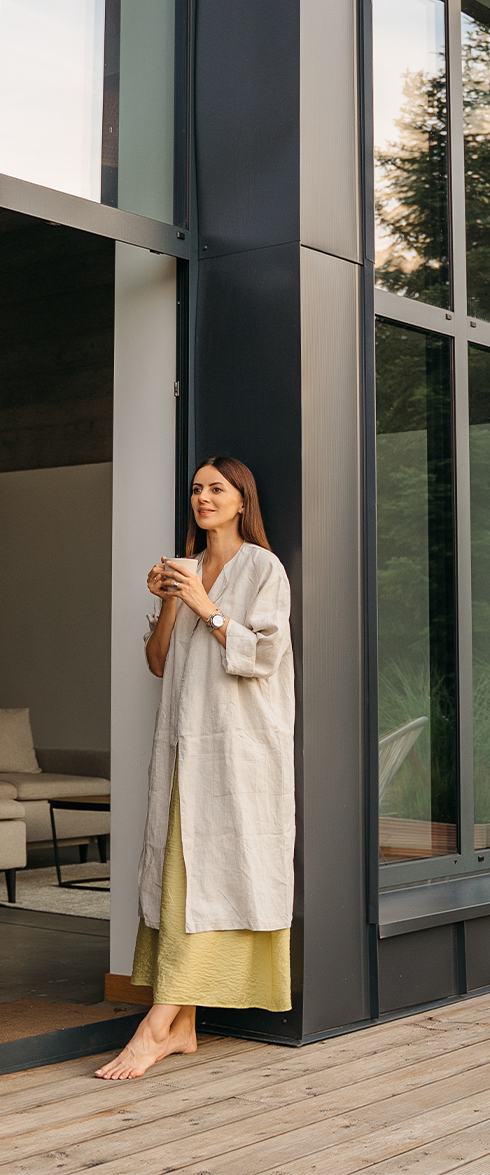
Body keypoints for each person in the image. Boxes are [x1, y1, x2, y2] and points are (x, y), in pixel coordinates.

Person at [97, 455, 294, 1081]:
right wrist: (170, 602)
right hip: (183, 748)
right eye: (196, 490)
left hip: (238, 750)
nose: (203, 498)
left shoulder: (263, 568)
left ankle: (155, 1026)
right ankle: (181, 1026)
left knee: (218, 875)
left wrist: (205, 602)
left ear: (242, 501)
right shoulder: (182, 570)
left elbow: (263, 653)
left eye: (217, 490)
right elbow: (158, 662)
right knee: (179, 876)